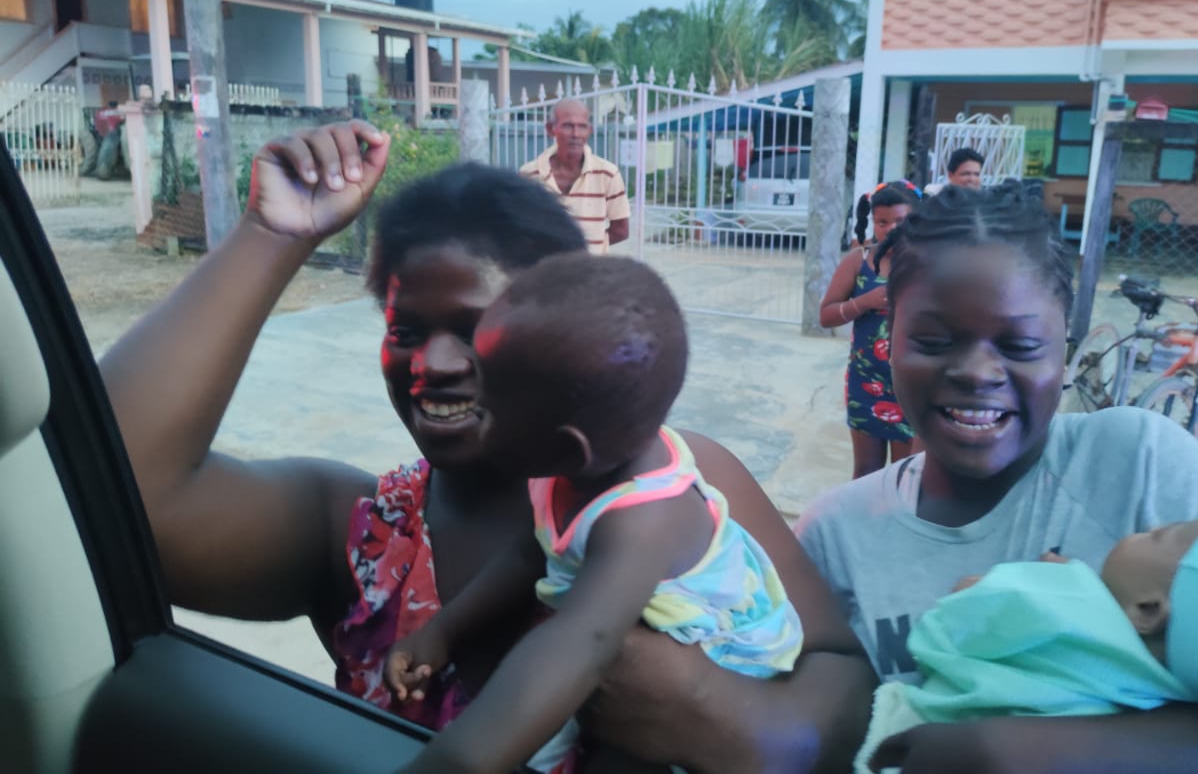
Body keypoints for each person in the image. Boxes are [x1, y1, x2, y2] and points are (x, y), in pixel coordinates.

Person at [99, 120, 872, 773]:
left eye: (478, 328)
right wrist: (271, 235)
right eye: (405, 330)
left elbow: (842, 670)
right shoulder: (361, 535)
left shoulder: (680, 484)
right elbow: (104, 497)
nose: (432, 363)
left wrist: (727, 718)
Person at [796, 183, 1198, 774]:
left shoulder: (1138, 462)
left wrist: (1021, 752)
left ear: (1064, 350)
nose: (977, 372)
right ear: (888, 340)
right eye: (934, 341)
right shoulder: (834, 535)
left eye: (1021, 344)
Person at [387, 254, 807, 773]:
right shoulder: (573, 464)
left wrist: (449, 763)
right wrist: (442, 632)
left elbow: (580, 645)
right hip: (609, 633)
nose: (475, 413)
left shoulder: (643, 521)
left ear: (567, 449)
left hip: (718, 664)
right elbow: (528, 553)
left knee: (623, 748)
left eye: (488, 412)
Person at [852, 515, 1198, 773]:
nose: (1149, 526)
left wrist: (1048, 583)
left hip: (917, 741)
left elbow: (949, 618)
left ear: (1147, 610)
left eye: (1160, 535)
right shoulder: (1187, 696)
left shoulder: (1066, 594)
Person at [820, 182, 920, 478]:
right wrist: (864, 302)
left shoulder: (929, 263)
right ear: (872, 222)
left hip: (912, 385)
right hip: (866, 383)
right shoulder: (859, 260)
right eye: (882, 222)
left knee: (905, 475)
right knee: (866, 473)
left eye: (901, 221)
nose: (891, 229)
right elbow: (825, 316)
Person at [521, 98, 630, 254]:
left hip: (589, 268)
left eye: (582, 126)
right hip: (545, 268)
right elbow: (522, 228)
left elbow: (621, 231)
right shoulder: (529, 175)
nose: (576, 134)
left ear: (590, 130)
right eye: (567, 126)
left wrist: (592, 249)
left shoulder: (608, 174)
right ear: (551, 129)